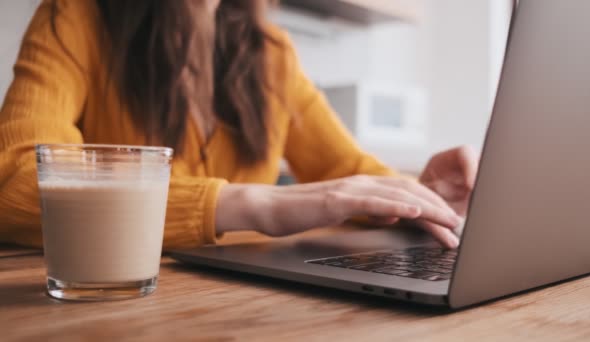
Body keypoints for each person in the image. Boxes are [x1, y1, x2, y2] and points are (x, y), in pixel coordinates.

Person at [0, 0, 478, 250]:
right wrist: (248, 203)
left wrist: (421, 197)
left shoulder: (273, 55)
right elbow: (16, 180)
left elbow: (346, 167)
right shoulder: (75, 16)